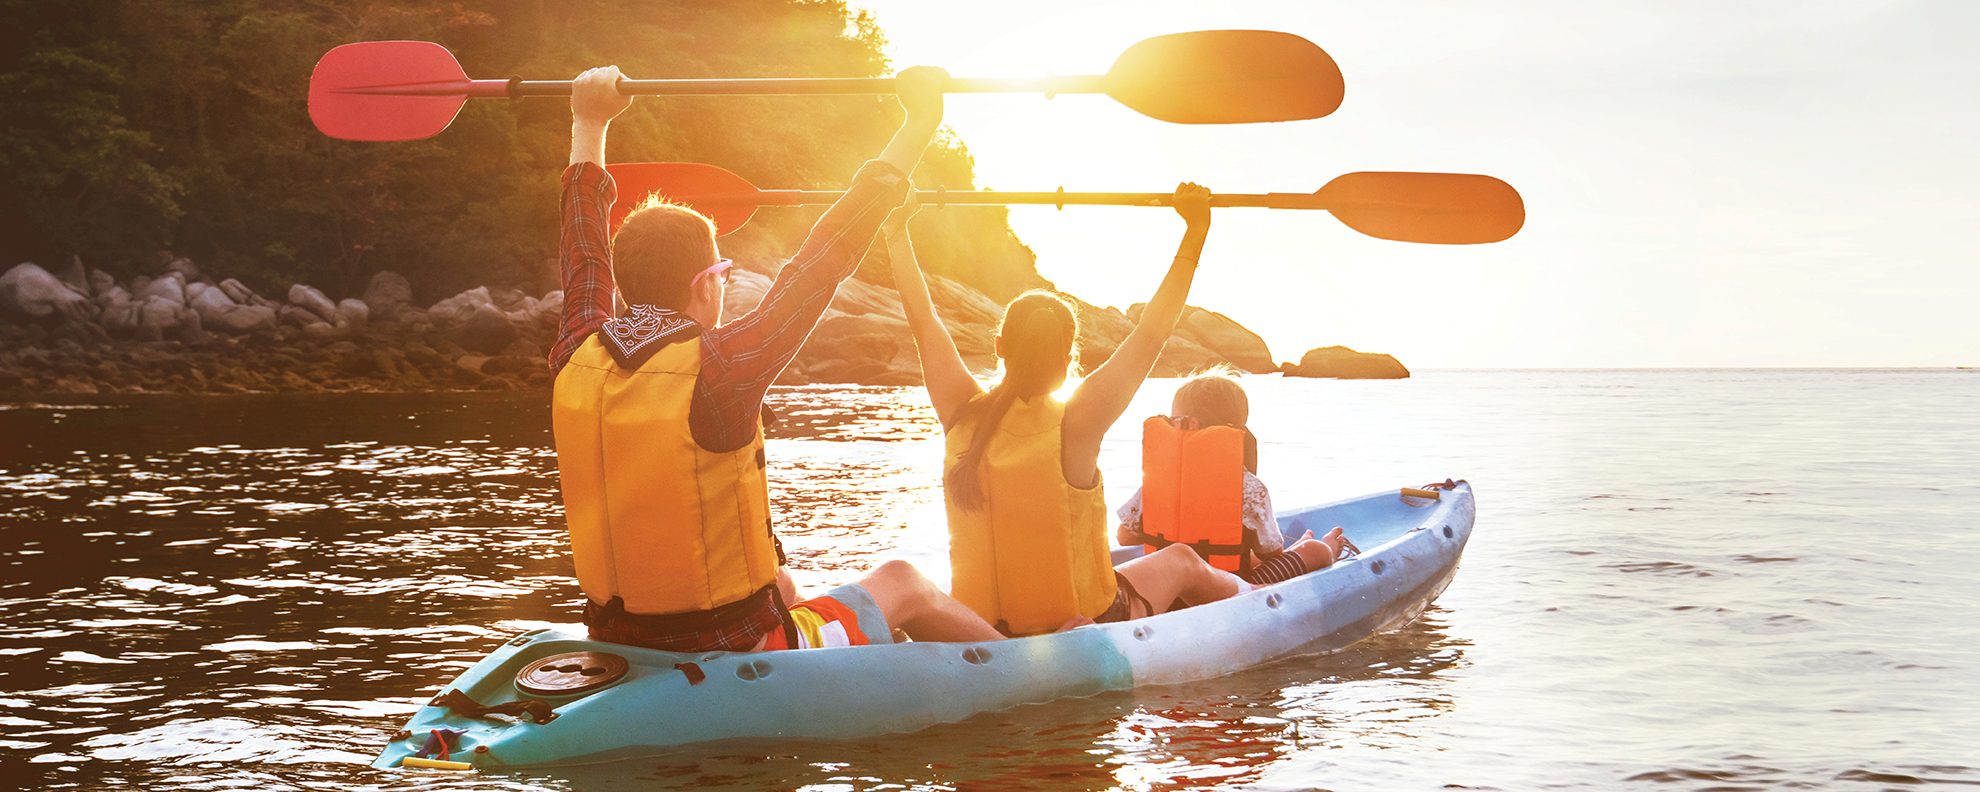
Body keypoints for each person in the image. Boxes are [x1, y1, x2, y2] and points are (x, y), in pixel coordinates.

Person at [548, 64, 1002, 652]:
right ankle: (1032, 667)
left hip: (621, 638)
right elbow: (826, 256)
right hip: (738, 645)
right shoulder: (722, 368)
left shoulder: (576, 349)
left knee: (784, 580)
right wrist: (922, 123)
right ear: (706, 284)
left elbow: (581, 243)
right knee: (904, 581)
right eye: (722, 272)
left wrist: (588, 119)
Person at [880, 186, 1260, 637]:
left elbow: (924, 322)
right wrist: (1196, 229)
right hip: (1084, 625)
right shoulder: (1076, 423)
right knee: (1181, 560)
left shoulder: (959, 410)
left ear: (999, 347)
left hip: (975, 627)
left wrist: (895, 230)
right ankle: (1263, 600)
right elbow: (1152, 330)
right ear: (1068, 356)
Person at [1115, 370, 1350, 586]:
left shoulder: (1158, 480)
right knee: (1314, 551)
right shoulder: (1248, 487)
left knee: (1246, 556)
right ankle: (1325, 548)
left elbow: (1124, 537)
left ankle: (1299, 546)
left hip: (1164, 585)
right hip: (1227, 588)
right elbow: (1271, 552)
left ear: (1187, 425)